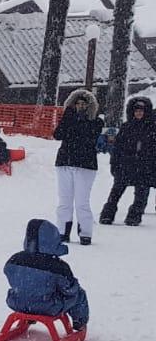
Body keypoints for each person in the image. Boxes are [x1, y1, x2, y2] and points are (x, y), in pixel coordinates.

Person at [4, 219, 89, 333]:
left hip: (16, 302)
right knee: (79, 293)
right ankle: (80, 323)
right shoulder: (58, 266)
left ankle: (29, 315)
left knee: (31, 288)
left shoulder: (15, 259)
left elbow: (8, 272)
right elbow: (70, 289)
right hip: (47, 306)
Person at [52, 88, 103, 244]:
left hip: (85, 165)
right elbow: (57, 135)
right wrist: (68, 118)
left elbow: (87, 137)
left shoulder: (96, 122)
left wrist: (78, 122)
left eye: (83, 104)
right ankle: (62, 231)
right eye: (77, 103)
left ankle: (85, 232)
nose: (80, 106)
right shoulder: (68, 118)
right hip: (64, 162)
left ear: (89, 106)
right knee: (64, 201)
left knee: (82, 202)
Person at [101, 96, 155, 226]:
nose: (139, 113)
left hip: (145, 167)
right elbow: (117, 148)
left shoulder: (152, 128)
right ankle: (107, 215)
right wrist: (114, 164)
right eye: (136, 111)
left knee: (141, 194)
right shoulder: (126, 127)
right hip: (126, 165)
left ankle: (134, 216)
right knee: (115, 192)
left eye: (141, 111)